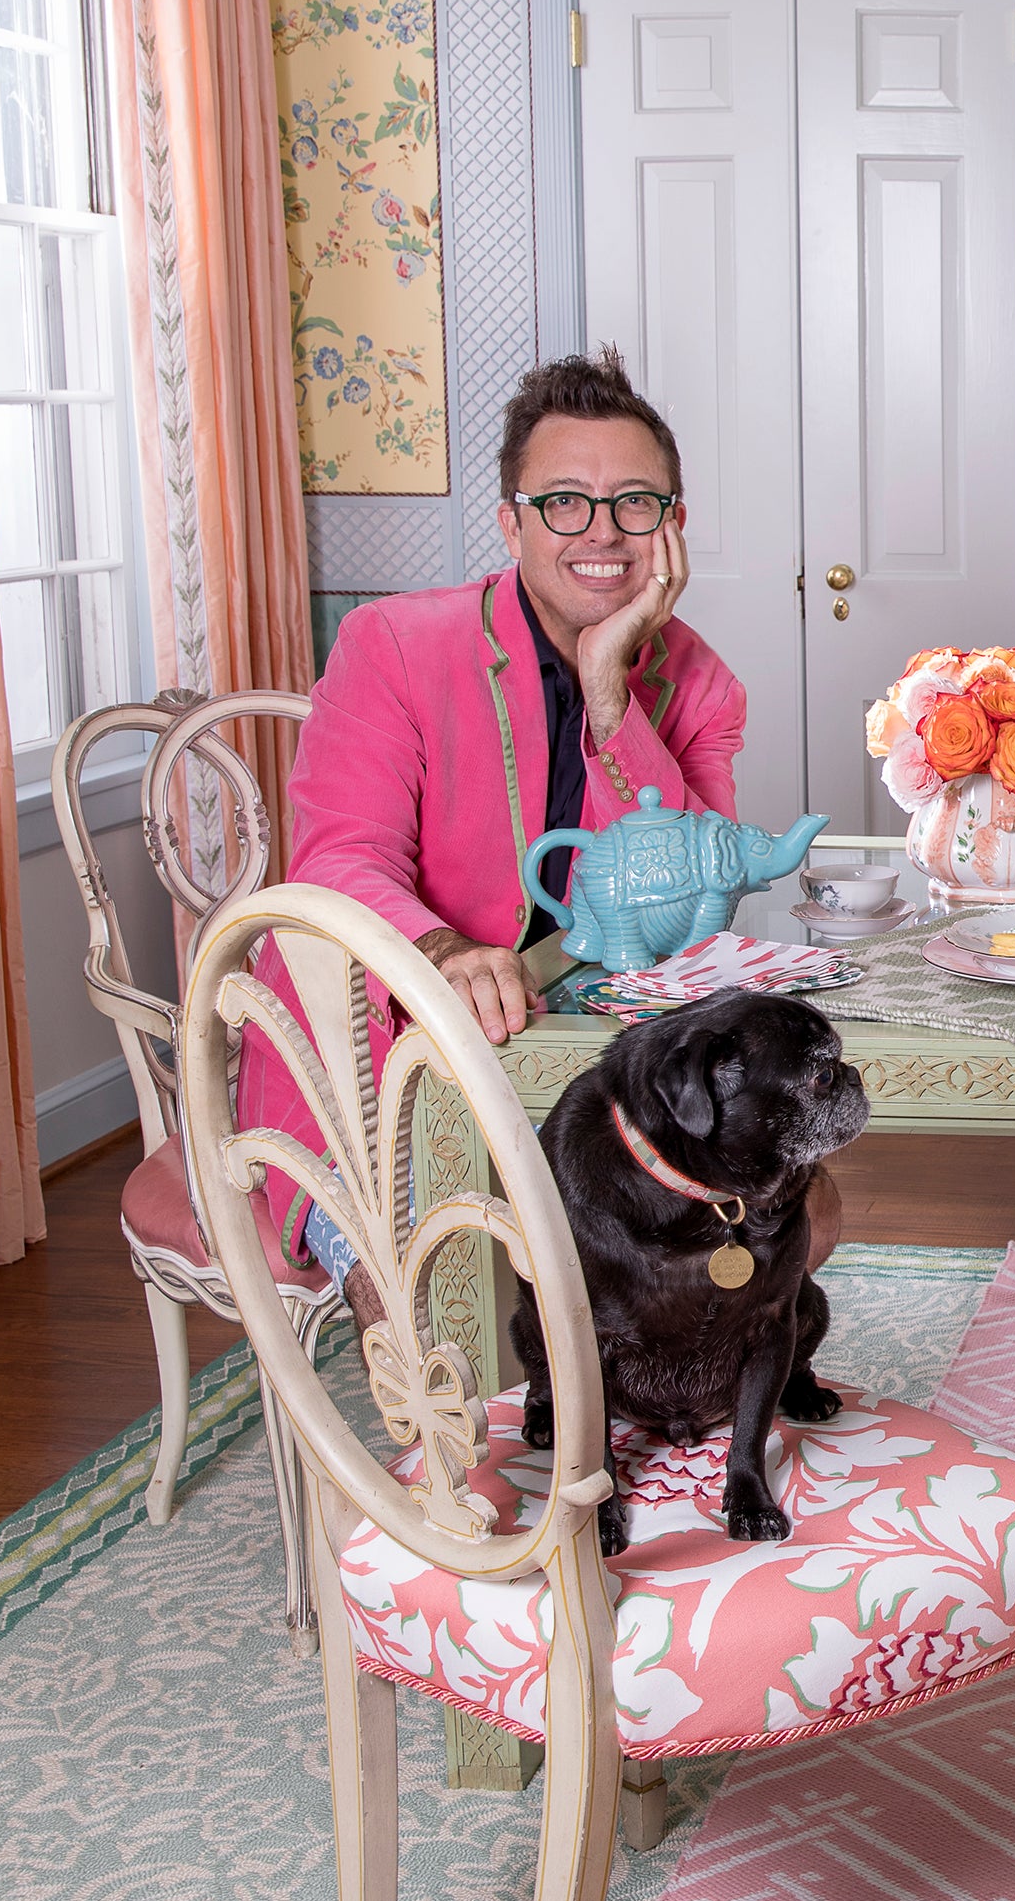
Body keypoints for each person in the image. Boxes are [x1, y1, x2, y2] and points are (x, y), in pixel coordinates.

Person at [236, 350, 814, 1295]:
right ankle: (456, 1447)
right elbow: (340, 857)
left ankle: (653, 1423)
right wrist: (446, 948)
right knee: (428, 1285)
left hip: (578, 1063)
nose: (603, 531)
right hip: (374, 1072)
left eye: (636, 502)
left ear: (673, 525)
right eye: (563, 503)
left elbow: (698, 889)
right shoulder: (391, 645)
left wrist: (610, 691)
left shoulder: (698, 681)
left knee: (789, 1224)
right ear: (512, 523)